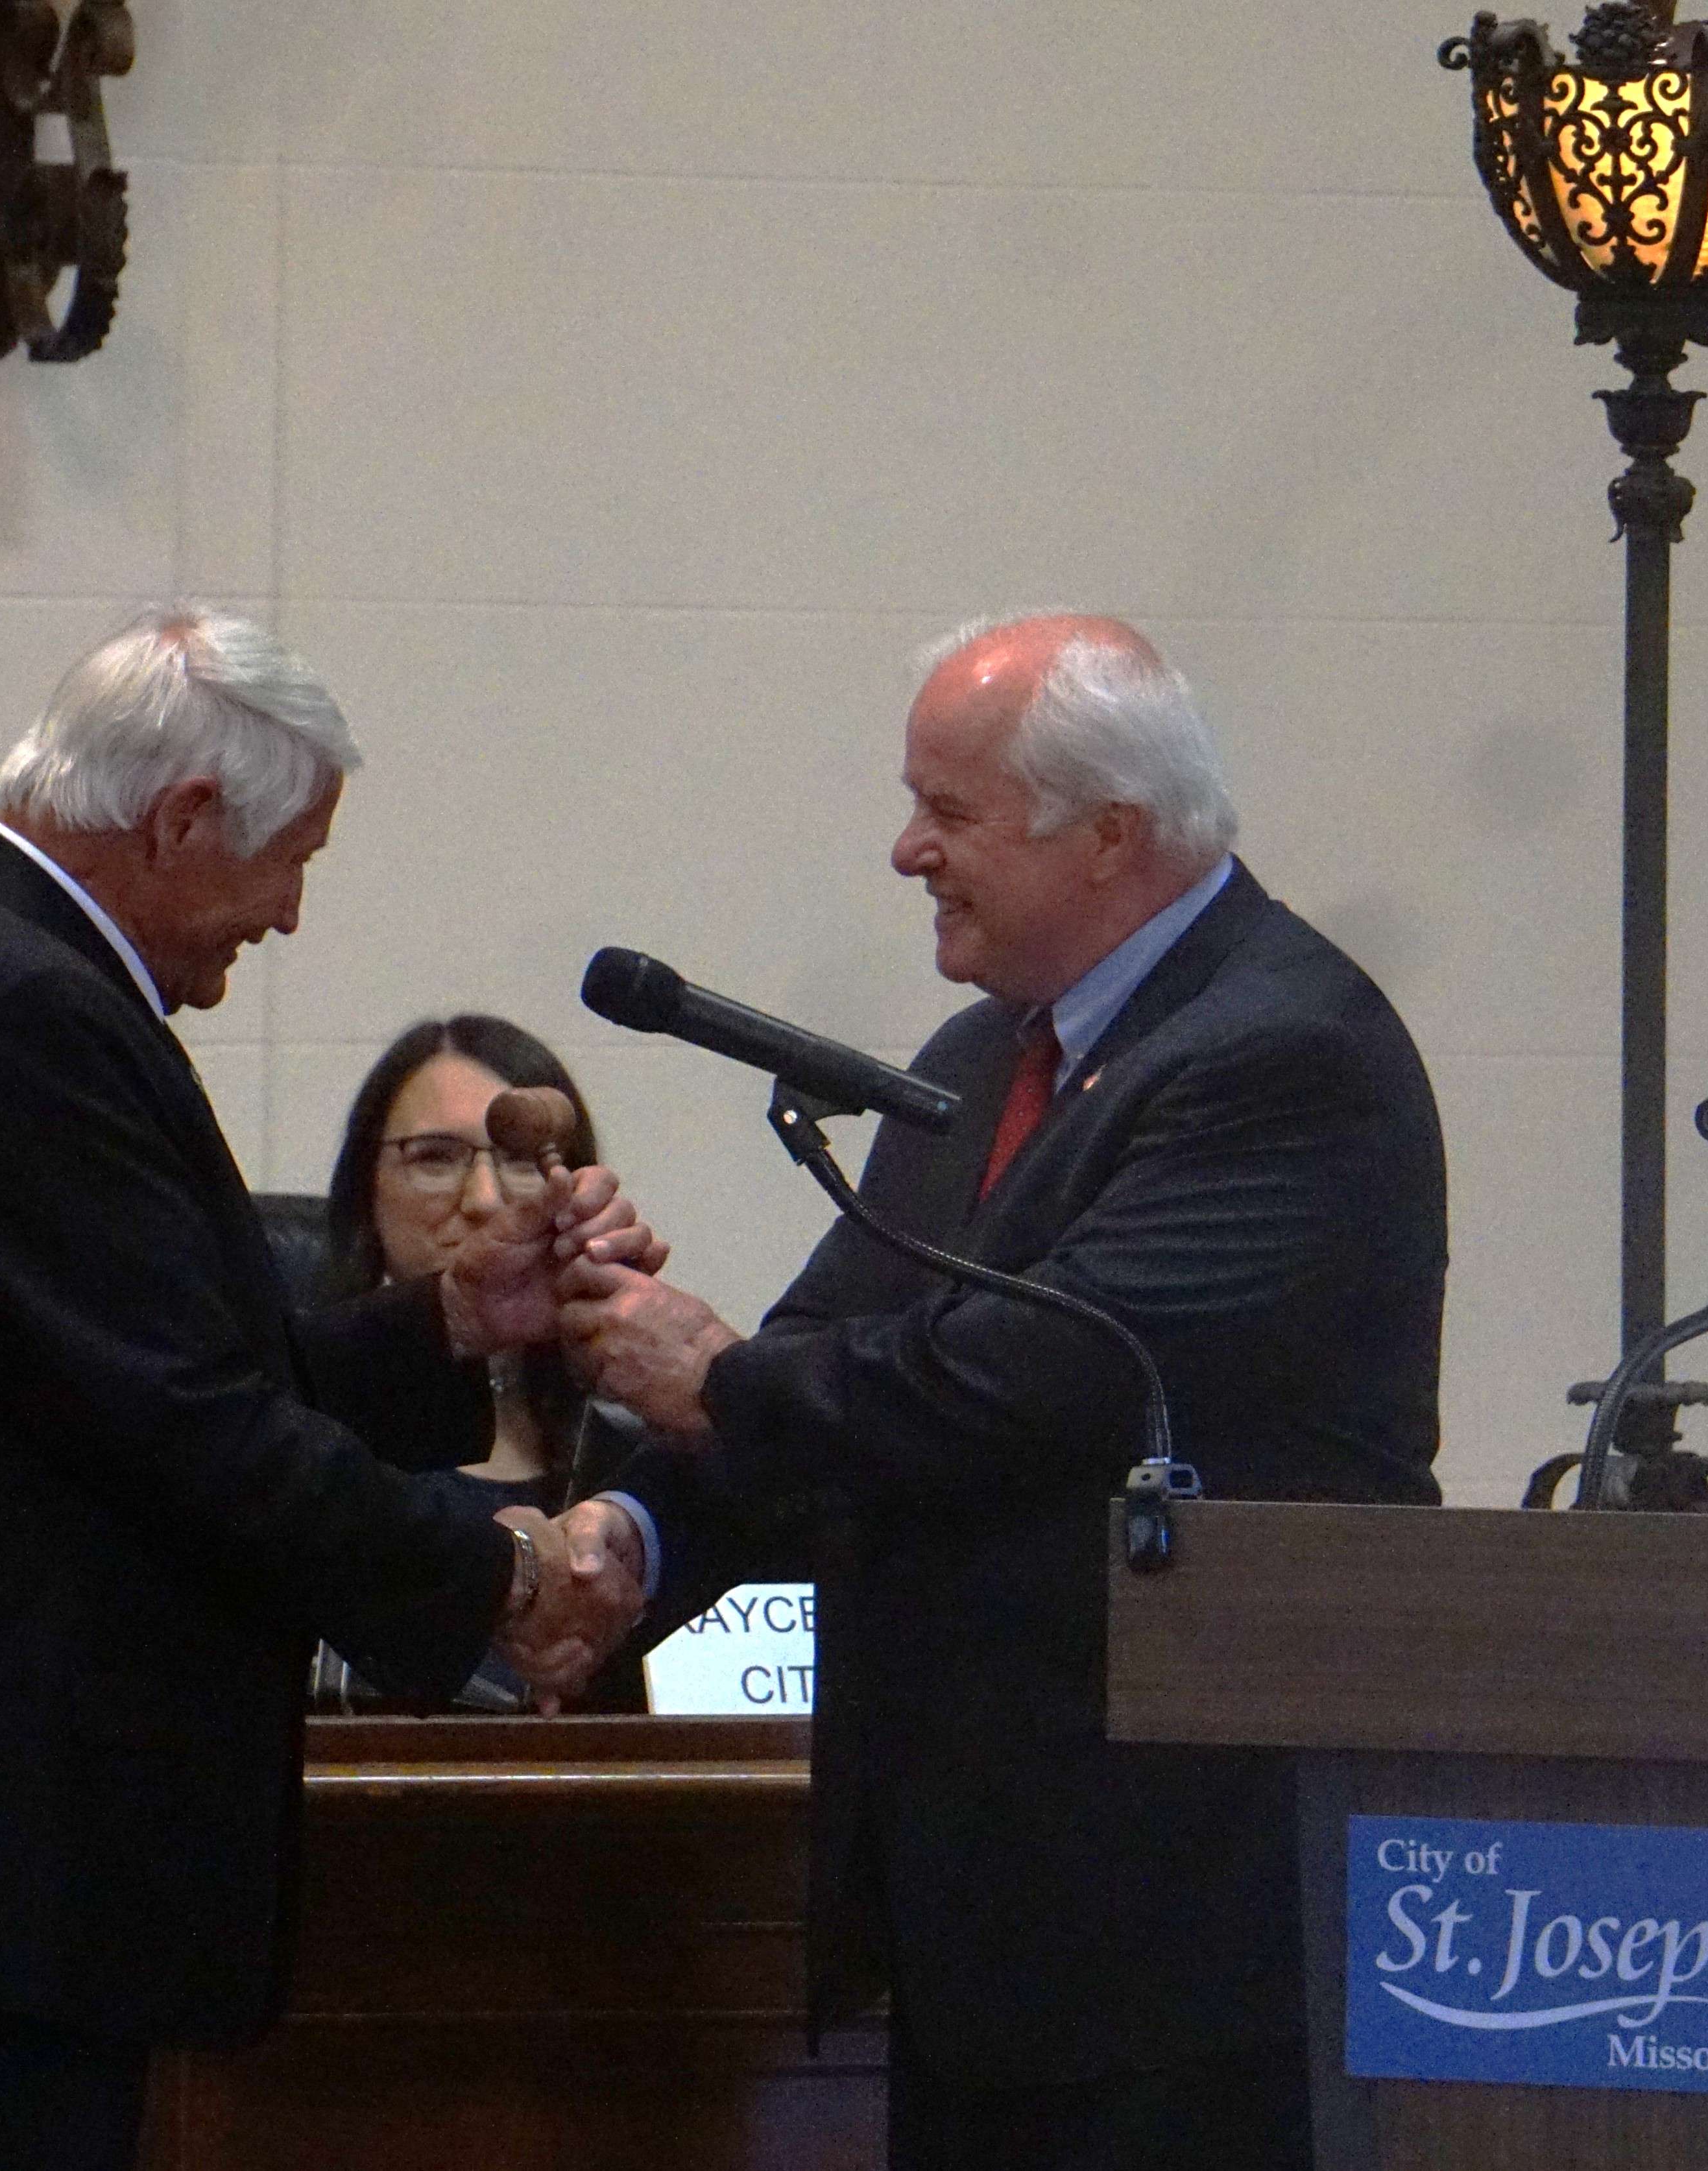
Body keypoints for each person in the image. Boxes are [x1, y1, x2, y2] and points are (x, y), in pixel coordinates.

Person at [0, 606, 653, 2171]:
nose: (280, 917)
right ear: (184, 816)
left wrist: (459, 1320)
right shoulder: (13, 1008)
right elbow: (185, 1433)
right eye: (292, 862)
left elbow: (171, 1379)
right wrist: (505, 1570)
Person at [547, 613, 1447, 2169]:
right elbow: (821, 1365)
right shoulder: (980, 1057)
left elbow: (1044, 1383)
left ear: (1111, 836)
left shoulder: (1284, 1051)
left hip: (1179, 1924)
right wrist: (630, 1531)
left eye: (949, 813)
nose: (907, 852)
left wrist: (721, 1383)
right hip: (973, 1919)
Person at [308, 1015, 650, 1710]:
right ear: (364, 1191)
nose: (485, 1199)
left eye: (522, 1158)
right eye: (435, 1156)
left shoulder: (634, 1463)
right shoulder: (295, 1431)